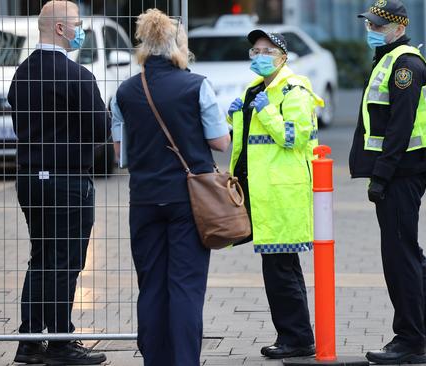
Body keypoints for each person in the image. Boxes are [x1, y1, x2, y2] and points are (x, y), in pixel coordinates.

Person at [111, 8, 230, 366]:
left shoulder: (126, 90)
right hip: (189, 200)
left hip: (145, 199)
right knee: (185, 285)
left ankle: (155, 360)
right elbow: (220, 142)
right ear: (178, 45)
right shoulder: (196, 85)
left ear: (143, 46)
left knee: (151, 285)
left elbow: (121, 154)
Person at [349, 1, 426, 364]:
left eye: (379, 26)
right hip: (403, 172)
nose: (372, 31)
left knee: (399, 257)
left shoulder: (405, 66)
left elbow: (400, 125)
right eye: (370, 25)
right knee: (408, 252)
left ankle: (410, 341)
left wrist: (380, 175)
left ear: (399, 27)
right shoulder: (392, 59)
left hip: (399, 174)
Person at [7, 1, 109, 364]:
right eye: (78, 23)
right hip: (67, 180)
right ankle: (62, 343)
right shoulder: (78, 76)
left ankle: (30, 342)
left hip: (30, 179)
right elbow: (101, 129)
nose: (81, 29)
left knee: (41, 256)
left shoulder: (22, 73)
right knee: (65, 261)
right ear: (62, 29)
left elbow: (21, 124)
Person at [227, 29, 324, 359]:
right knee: (281, 266)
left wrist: (265, 112)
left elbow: (295, 137)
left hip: (281, 192)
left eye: (266, 50)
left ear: (283, 55)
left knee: (280, 268)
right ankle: (295, 334)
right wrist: (237, 115)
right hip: (261, 190)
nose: (258, 56)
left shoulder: (295, 87)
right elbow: (250, 143)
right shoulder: (256, 88)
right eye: (254, 51)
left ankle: (296, 338)